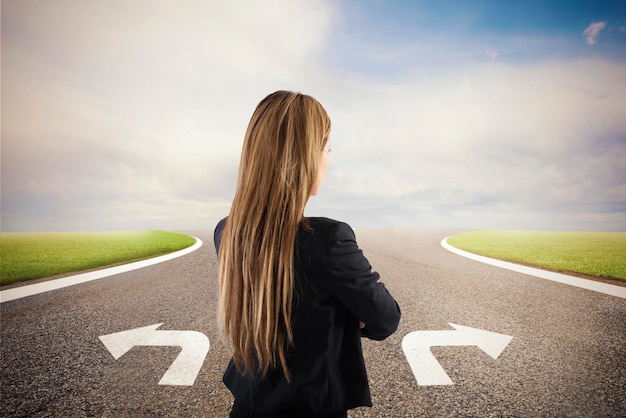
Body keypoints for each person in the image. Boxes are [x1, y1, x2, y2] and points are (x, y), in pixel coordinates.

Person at [214, 90, 401, 417]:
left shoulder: (226, 231)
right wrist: (345, 314)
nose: (328, 159)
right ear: (306, 156)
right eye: (326, 148)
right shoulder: (330, 239)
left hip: (246, 408)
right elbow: (385, 318)